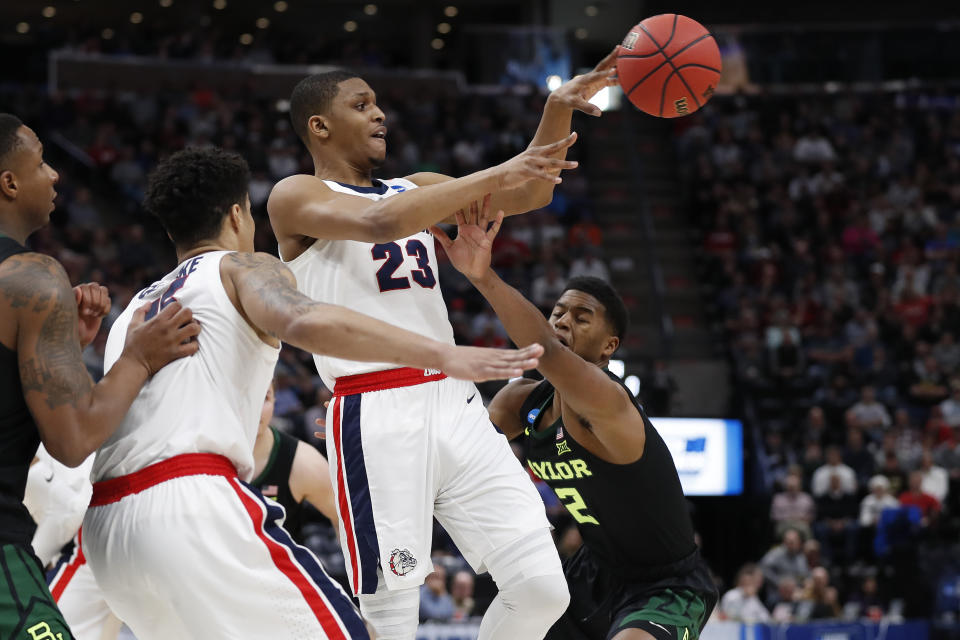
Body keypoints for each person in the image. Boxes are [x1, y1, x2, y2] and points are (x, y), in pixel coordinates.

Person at [81, 147, 542, 640]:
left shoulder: (134, 310)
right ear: (239, 213)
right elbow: (302, 317)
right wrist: (440, 353)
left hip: (108, 531)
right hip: (190, 502)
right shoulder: (242, 267)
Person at [267, 53, 618, 639]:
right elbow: (380, 222)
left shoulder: (418, 188)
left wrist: (555, 110)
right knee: (392, 617)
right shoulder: (295, 195)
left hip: (455, 400)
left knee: (541, 587)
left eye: (378, 103)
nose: (380, 114)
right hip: (374, 409)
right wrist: (493, 174)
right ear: (318, 127)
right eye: (361, 105)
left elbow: (530, 190)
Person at [433, 197, 717, 640]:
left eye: (582, 317)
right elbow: (453, 444)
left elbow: (545, 350)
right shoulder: (519, 403)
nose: (564, 319)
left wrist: (483, 277)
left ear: (609, 347)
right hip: (590, 571)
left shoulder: (610, 403)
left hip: (665, 584)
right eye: (559, 311)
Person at [0, 113, 197, 639]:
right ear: (9, 182)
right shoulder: (29, 276)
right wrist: (136, 356)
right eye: (41, 161)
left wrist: (65, 350)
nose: (56, 174)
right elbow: (74, 439)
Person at [252, 382, 338, 544]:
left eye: (264, 397)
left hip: (277, 567)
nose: (254, 407)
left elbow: (346, 523)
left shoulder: (304, 462)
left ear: (275, 400)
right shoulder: (196, 451)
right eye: (245, 396)